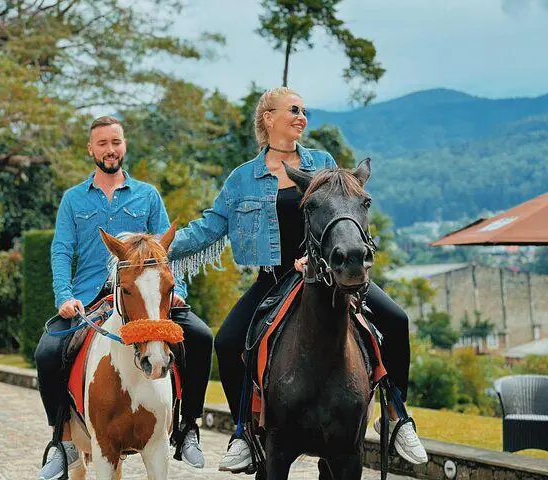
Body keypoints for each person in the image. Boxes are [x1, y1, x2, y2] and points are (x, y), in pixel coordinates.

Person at [168, 87, 428, 474]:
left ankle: (396, 414)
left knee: (396, 320)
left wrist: (320, 256)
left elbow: (342, 212)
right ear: (268, 118)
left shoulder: (322, 163)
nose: (302, 117)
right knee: (227, 341)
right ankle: (244, 432)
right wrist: (157, 245)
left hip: (328, 274)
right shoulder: (242, 179)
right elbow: (209, 227)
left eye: (304, 110)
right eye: (293, 110)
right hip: (274, 279)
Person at [35, 116, 213, 480]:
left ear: (124, 146)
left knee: (200, 336)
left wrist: (176, 293)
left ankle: (187, 428)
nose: (110, 149)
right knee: (47, 353)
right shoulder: (73, 199)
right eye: (102, 143)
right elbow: (61, 251)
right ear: (91, 149)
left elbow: (166, 252)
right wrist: (64, 296)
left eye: (115, 142)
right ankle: (64, 441)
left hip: (144, 298)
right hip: (90, 298)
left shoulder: (148, 195)